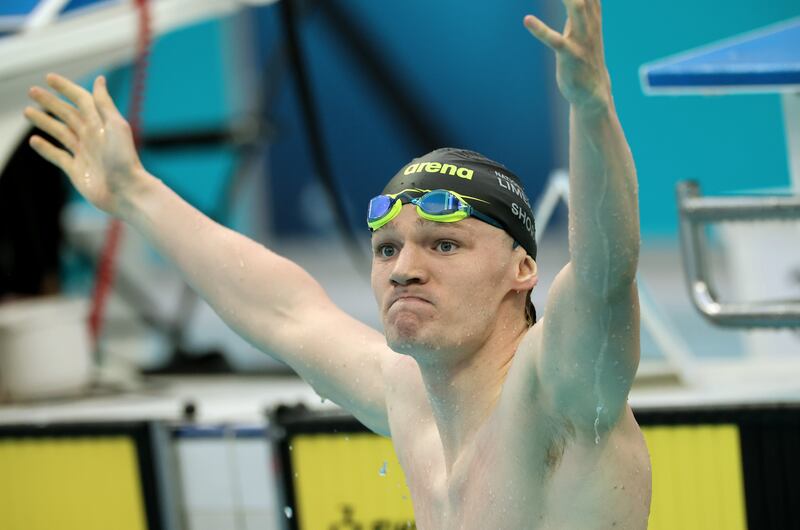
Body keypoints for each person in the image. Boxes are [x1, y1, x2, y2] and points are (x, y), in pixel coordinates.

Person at [23, 1, 651, 528]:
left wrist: (593, 111)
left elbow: (604, 274)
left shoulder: (559, 387)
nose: (404, 268)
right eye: (387, 248)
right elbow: (283, 311)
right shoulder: (411, 398)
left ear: (522, 270)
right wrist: (136, 193)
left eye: (443, 245)